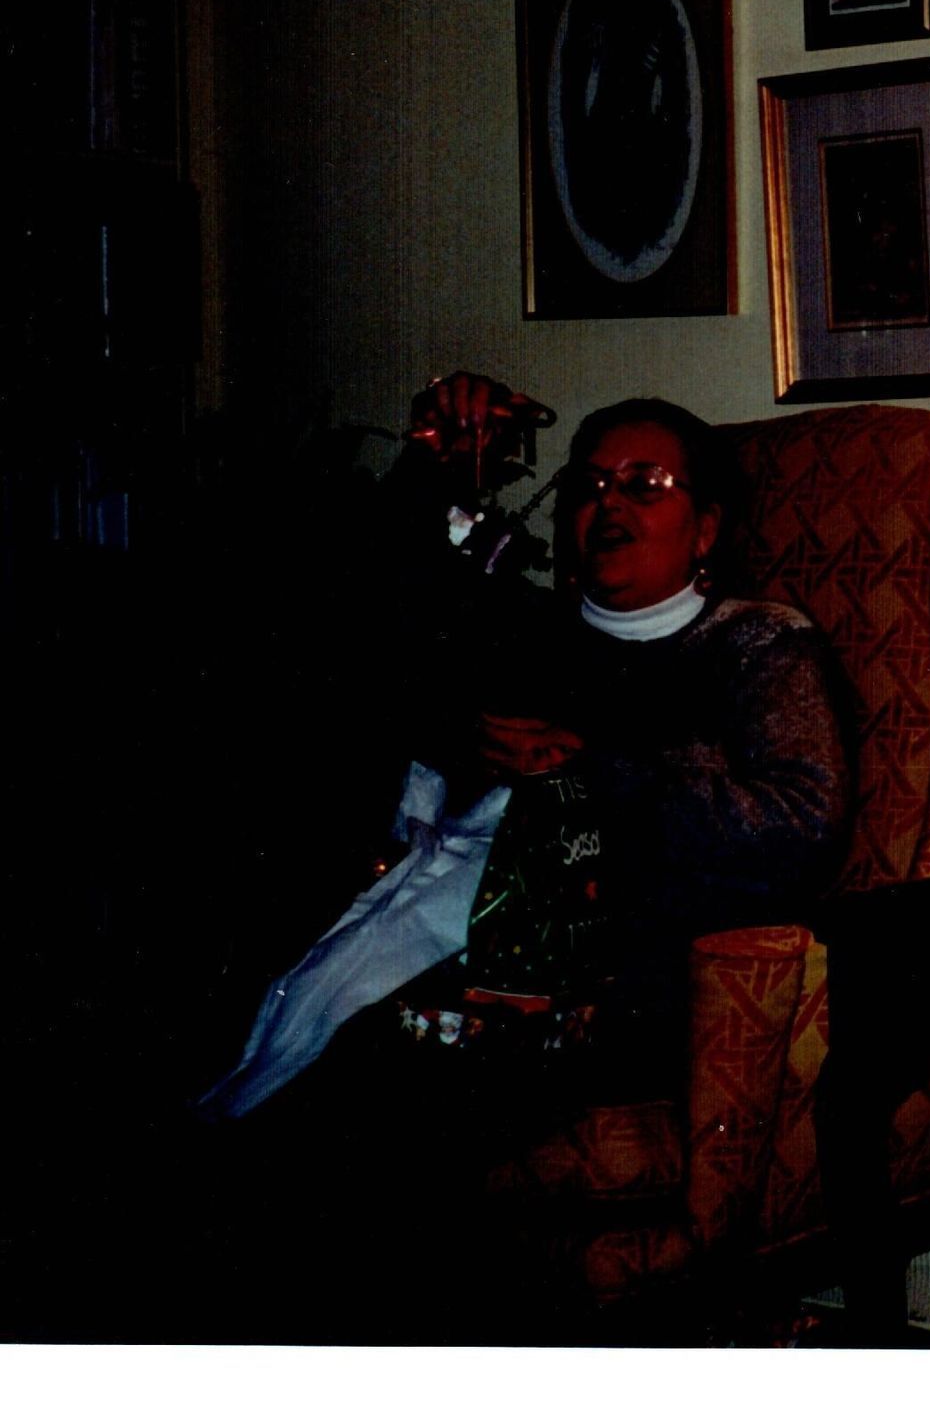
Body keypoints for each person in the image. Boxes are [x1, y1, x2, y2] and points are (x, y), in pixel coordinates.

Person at [180, 372, 855, 1340]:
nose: (608, 505)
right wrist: (436, 461)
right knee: (268, 1049)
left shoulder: (757, 645)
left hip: (612, 975)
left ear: (706, 528)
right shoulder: (530, 631)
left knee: (362, 1101)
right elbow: (359, 624)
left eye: (643, 485)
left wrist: (598, 775)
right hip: (444, 928)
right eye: (589, 485)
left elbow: (802, 823)